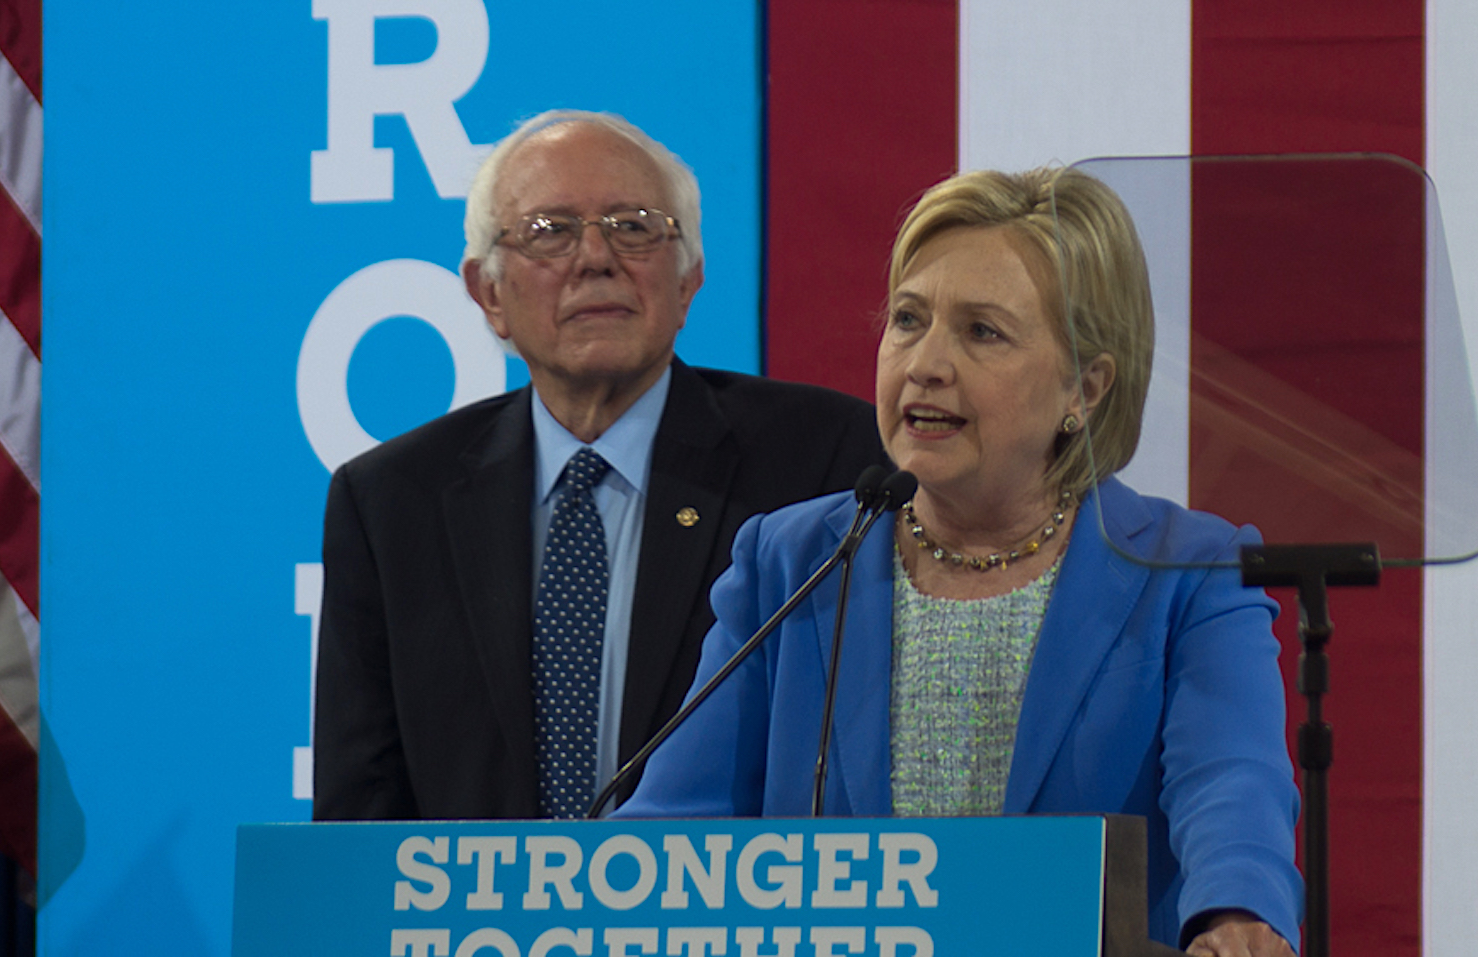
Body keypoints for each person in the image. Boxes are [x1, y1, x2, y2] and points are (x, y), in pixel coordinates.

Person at [616, 168, 1304, 956]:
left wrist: (1235, 913)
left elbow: (1232, 782)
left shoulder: (1189, 573)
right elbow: (671, 832)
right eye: (909, 319)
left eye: (983, 331)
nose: (925, 364)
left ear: (1085, 386)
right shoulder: (791, 560)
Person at [312, 110, 885, 822]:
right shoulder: (389, 503)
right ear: (488, 293)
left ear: (689, 280)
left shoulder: (826, 459)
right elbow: (358, 816)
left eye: (634, 225)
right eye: (550, 231)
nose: (594, 258)